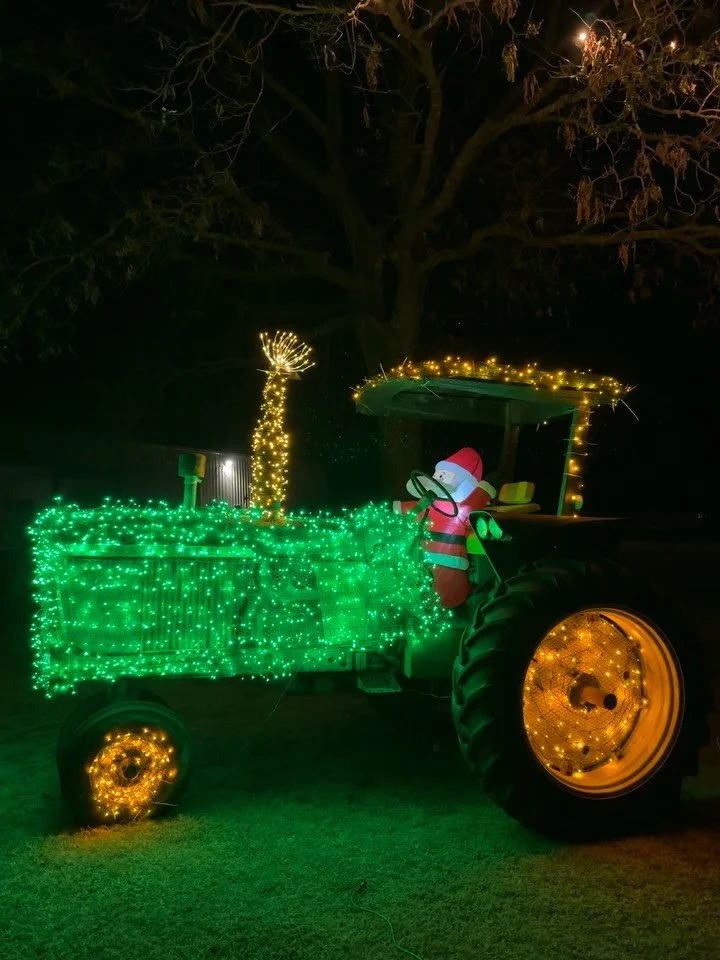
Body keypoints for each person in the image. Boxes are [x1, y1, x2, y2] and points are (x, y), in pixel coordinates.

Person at [393, 448, 495, 609]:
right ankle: (423, 605)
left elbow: (470, 508)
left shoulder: (462, 510)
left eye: (444, 476)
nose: (437, 480)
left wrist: (483, 491)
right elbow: (411, 509)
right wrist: (394, 509)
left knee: (445, 585)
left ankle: (447, 605)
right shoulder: (428, 503)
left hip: (448, 559)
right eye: (437, 475)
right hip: (421, 554)